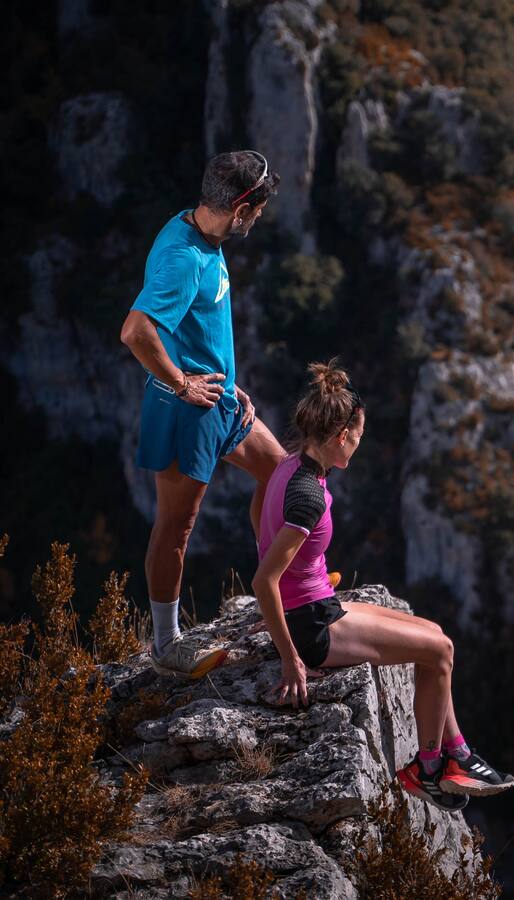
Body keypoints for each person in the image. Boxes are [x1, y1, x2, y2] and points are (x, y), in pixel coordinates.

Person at [251, 361, 514, 811]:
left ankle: (458, 756)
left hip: (318, 605)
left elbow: (258, 517)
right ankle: (430, 770)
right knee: (441, 652)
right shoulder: (309, 497)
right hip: (311, 629)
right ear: (340, 437)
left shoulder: (290, 465)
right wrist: (291, 660)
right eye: (358, 434)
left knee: (433, 632)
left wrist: (307, 570)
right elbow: (263, 581)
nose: (360, 441)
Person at [120, 150, 288, 679]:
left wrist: (226, 381)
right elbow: (136, 331)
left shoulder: (199, 234)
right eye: (257, 211)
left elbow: (194, 324)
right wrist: (182, 382)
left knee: (283, 475)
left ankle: (278, 591)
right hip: (184, 411)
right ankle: (167, 645)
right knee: (177, 526)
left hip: (220, 401)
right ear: (240, 209)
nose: (258, 220)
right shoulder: (184, 257)